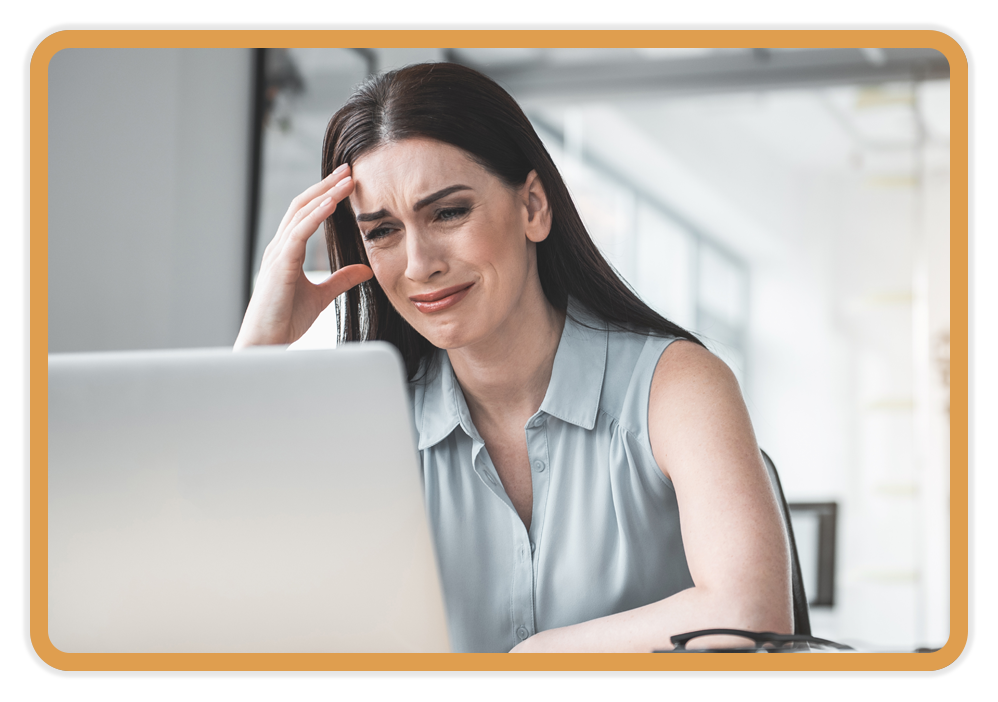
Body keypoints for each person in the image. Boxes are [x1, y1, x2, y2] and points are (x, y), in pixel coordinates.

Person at [234, 62, 793, 653]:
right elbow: (233, 591)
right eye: (383, 232)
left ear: (532, 207)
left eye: (448, 213)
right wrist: (258, 344)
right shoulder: (373, 423)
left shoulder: (675, 387)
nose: (419, 264)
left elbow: (750, 612)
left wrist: (536, 657)